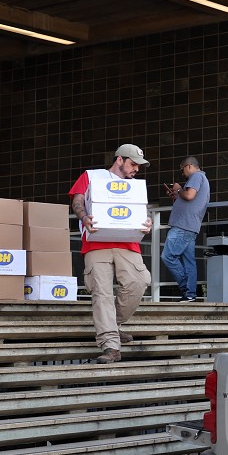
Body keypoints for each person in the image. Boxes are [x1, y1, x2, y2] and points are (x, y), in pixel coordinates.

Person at [69, 143, 153, 364]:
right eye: (133, 164)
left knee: (140, 281)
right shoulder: (91, 176)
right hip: (96, 243)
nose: (136, 169)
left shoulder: (133, 187)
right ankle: (111, 345)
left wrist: (148, 222)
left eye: (139, 165)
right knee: (102, 294)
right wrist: (84, 218)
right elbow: (77, 200)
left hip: (128, 244)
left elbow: (142, 212)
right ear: (119, 160)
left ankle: (112, 327)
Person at [162, 156, 210, 301]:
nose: (182, 173)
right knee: (189, 261)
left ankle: (187, 288)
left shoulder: (196, 176)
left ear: (189, 166)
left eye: (182, 169)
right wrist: (176, 195)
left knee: (168, 256)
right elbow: (189, 199)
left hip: (183, 225)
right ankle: (190, 294)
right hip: (190, 225)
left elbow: (189, 195)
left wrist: (178, 189)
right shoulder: (203, 179)